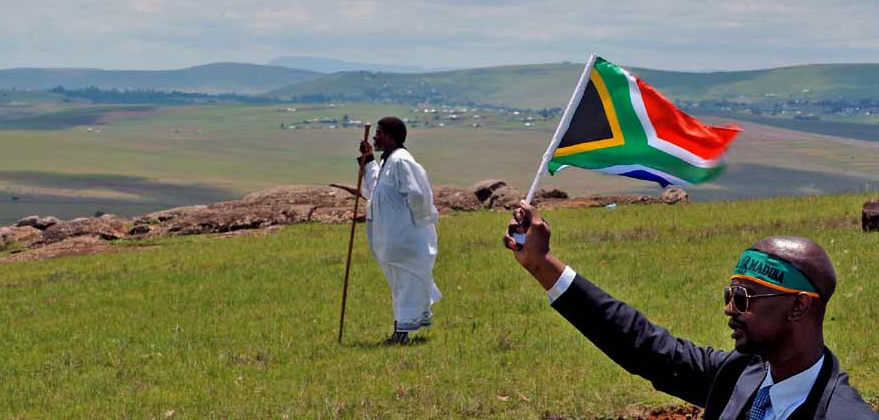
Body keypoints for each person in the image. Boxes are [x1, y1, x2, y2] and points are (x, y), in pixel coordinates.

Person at [503, 200, 877, 419]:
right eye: (729, 294)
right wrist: (542, 264)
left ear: (798, 306)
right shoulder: (739, 375)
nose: (730, 309)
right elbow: (643, 345)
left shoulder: (845, 415)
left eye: (744, 299)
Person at [358, 116, 441, 344]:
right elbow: (377, 189)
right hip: (391, 238)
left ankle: (401, 334)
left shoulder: (402, 161)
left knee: (407, 284)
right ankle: (401, 329)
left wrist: (414, 220)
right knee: (401, 284)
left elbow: (417, 194)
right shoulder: (389, 161)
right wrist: (367, 161)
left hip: (404, 236)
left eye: (379, 133)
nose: (375, 136)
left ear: (391, 136)